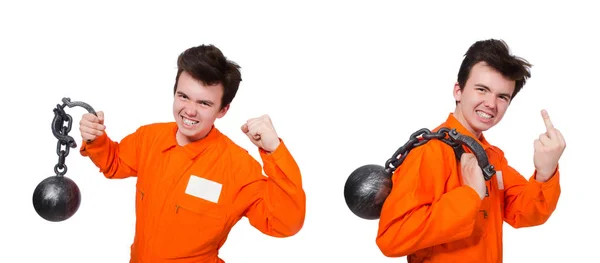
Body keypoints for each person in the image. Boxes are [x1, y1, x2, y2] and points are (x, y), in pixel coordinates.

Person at [78, 44, 306, 262]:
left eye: (204, 103)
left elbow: (284, 223)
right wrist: (95, 137)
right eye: (183, 96)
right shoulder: (149, 138)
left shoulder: (237, 166)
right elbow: (114, 163)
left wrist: (274, 150)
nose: (189, 110)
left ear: (223, 110)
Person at [375, 39, 566, 262]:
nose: (491, 104)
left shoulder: (492, 156)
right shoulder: (430, 152)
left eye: (502, 96)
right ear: (458, 91)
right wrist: (470, 195)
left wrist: (545, 172)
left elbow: (524, 213)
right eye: (482, 90)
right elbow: (392, 238)